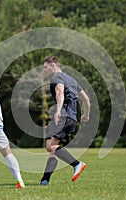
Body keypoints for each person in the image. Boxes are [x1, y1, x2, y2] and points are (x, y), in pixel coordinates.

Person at [40, 56, 90, 186]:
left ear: (53, 66)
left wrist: (58, 110)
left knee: (51, 146)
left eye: (46, 67)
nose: (45, 71)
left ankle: (77, 164)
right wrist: (85, 114)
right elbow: (86, 99)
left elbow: (60, 93)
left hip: (63, 117)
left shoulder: (56, 78)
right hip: (72, 118)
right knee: (52, 148)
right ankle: (45, 180)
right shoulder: (72, 80)